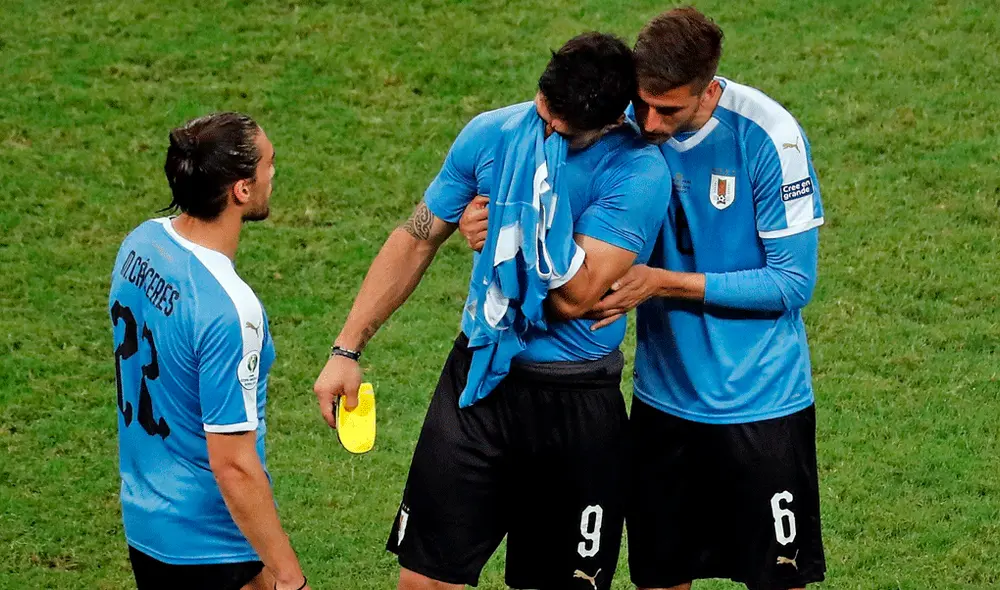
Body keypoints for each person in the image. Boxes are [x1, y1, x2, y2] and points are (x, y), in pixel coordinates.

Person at [458, 8, 826, 590]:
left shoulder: (768, 137)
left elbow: (792, 283)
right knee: (657, 577)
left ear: (708, 87)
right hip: (661, 404)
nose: (650, 123)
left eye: (669, 110)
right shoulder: (615, 125)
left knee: (777, 580)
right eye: (643, 103)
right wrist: (488, 227)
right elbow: (557, 208)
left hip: (762, 406)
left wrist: (663, 282)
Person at [313, 33, 668, 590]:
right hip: (476, 385)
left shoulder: (638, 173)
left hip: (575, 402)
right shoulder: (493, 132)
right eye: (541, 109)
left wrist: (510, 226)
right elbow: (415, 237)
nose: (542, 129)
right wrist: (346, 348)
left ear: (607, 120)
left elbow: (575, 299)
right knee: (424, 581)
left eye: (558, 127)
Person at [108, 112, 310, 590]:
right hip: (208, 543)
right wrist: (289, 576)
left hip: (146, 522)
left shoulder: (140, 244)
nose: (273, 174)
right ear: (241, 190)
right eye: (268, 164)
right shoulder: (229, 309)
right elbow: (233, 465)